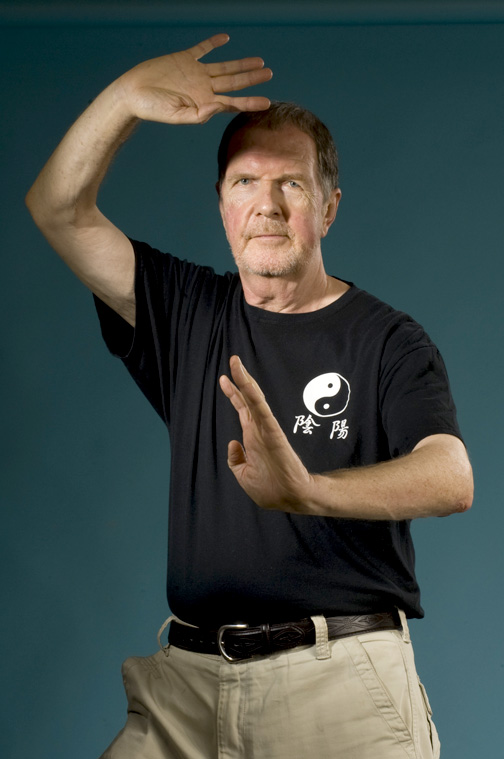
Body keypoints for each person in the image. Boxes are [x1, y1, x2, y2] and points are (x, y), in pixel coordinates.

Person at [26, 33, 473, 759]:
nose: (266, 205)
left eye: (291, 184)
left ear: (328, 208)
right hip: (188, 687)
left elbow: (452, 476)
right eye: (244, 183)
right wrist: (124, 99)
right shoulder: (185, 311)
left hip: (338, 682)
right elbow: (57, 209)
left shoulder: (390, 340)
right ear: (221, 205)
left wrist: (308, 491)